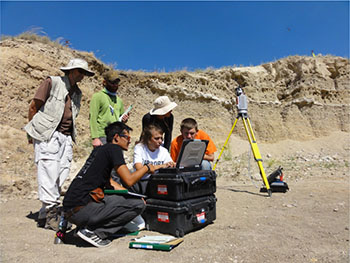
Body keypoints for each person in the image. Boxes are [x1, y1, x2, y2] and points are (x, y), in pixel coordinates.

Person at [63, 122, 161, 248]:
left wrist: (129, 194)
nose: (129, 141)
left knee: (131, 200)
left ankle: (87, 228)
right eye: (127, 137)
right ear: (116, 137)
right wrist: (147, 168)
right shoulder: (114, 149)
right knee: (138, 204)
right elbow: (129, 180)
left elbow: (110, 182)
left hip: (70, 211)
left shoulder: (100, 150)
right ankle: (95, 233)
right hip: (82, 209)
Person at [24, 58, 94, 231]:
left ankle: (44, 213)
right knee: (48, 170)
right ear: (70, 71)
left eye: (84, 72)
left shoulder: (77, 93)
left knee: (60, 173)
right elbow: (34, 106)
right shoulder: (52, 82)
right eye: (80, 71)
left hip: (66, 136)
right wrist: (34, 132)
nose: (82, 75)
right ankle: (51, 214)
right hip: (48, 133)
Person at [89, 70, 129, 148]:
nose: (115, 85)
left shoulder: (119, 100)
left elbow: (121, 120)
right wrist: (95, 137)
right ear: (105, 82)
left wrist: (125, 119)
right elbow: (93, 118)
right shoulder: (97, 96)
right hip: (102, 136)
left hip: (116, 137)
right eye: (112, 83)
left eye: (117, 83)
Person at [131, 124, 175, 195]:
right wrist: (160, 166)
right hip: (143, 183)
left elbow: (170, 165)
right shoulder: (140, 148)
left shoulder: (163, 151)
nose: (160, 141)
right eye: (156, 138)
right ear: (148, 139)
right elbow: (139, 168)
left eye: (161, 138)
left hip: (158, 182)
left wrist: (171, 165)